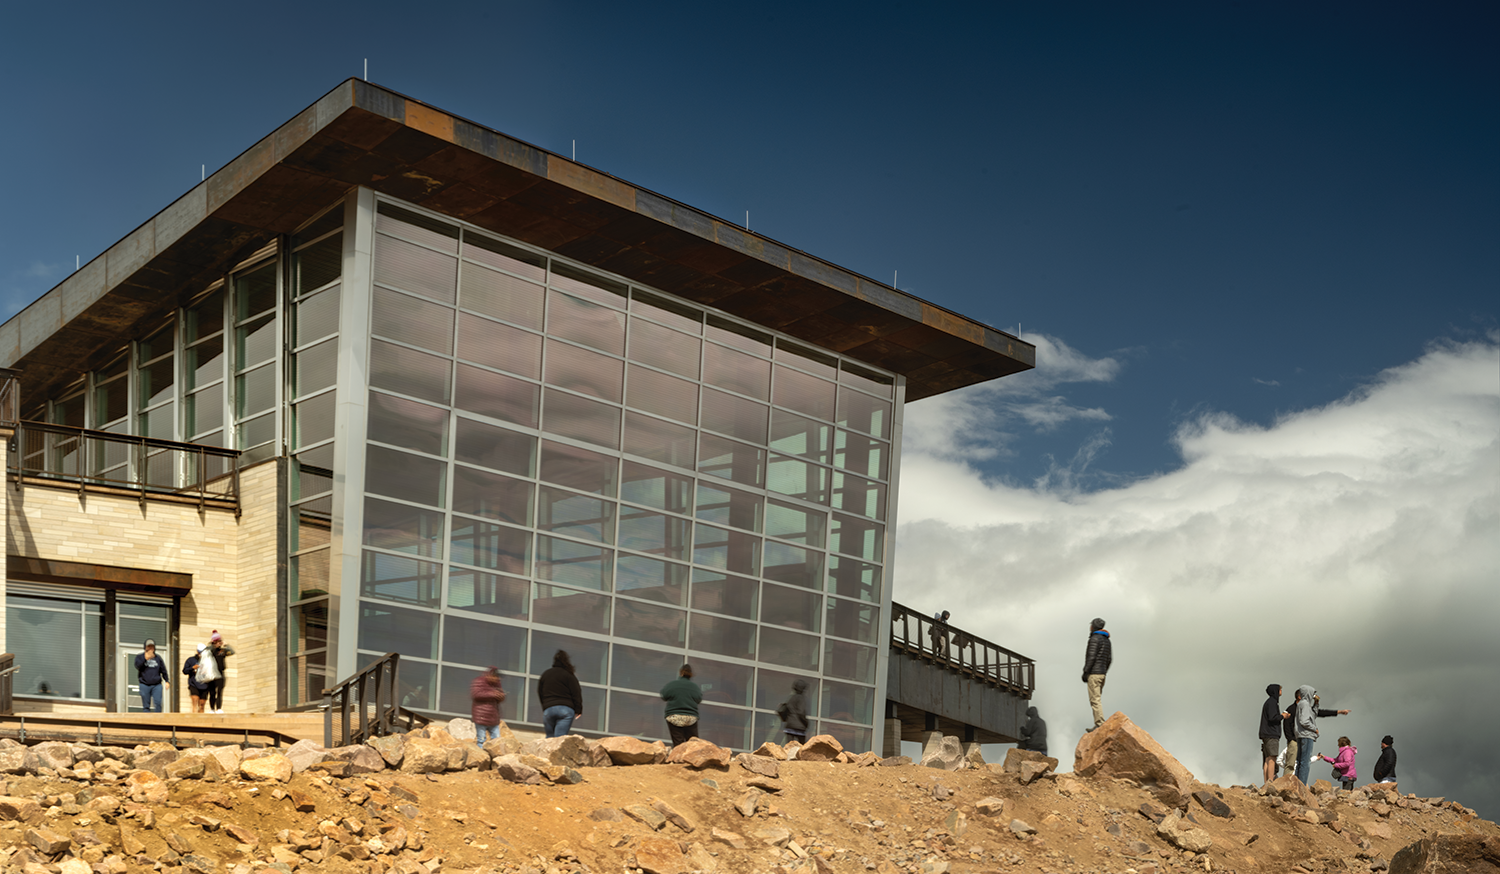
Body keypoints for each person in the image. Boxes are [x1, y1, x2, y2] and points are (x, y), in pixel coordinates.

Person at [1294, 684, 1351, 784]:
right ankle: (1301, 784)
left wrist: (1316, 704)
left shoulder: (1303, 704)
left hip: (1302, 735)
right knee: (1305, 762)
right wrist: (1314, 729)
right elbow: (1304, 721)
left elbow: (1314, 714)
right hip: (1307, 735)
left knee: (1300, 761)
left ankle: (1297, 783)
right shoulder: (1305, 704)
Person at [538, 650, 583, 738]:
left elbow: (540, 692)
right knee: (560, 738)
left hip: (548, 710)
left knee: (549, 739)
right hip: (565, 709)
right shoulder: (569, 675)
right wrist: (578, 709)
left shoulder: (546, 674)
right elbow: (576, 692)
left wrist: (545, 706)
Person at [660, 664, 703, 747]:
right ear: (691, 674)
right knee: (692, 744)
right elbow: (699, 699)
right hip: (691, 718)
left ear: (680, 673)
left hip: (674, 717)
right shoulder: (695, 687)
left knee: (678, 744)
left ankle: (678, 758)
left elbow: (664, 695)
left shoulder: (672, 685)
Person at [1081, 618, 1112, 730]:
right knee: (1097, 698)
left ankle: (1099, 724)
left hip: (1094, 673)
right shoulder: (1107, 640)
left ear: (1093, 626)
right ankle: (1098, 722)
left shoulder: (1094, 639)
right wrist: (1104, 671)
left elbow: (1091, 657)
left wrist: (1085, 672)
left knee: (1095, 700)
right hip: (1102, 674)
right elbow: (1109, 659)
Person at [1259, 684, 1290, 784]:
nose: (1281, 691)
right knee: (1272, 758)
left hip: (1266, 734)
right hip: (1271, 734)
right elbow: (1273, 718)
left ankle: (1266, 782)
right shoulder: (1272, 703)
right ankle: (1270, 781)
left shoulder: (1269, 702)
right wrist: (1282, 716)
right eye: (1280, 689)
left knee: (1267, 759)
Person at [470, 667, 506, 747]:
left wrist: (501, 696)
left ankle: (495, 758)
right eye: (495, 677)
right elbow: (476, 694)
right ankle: (481, 756)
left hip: (493, 717)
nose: (497, 679)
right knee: (481, 740)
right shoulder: (479, 681)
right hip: (481, 716)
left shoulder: (497, 684)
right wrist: (492, 694)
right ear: (490, 675)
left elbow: (500, 695)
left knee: (497, 741)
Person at [134, 639, 169, 713]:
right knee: (146, 706)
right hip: (144, 684)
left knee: (158, 703)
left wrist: (167, 680)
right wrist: (145, 658)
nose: (150, 648)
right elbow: (137, 666)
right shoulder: (140, 657)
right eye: (148, 646)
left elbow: (163, 670)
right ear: (145, 647)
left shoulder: (158, 658)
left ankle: (158, 721)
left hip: (156, 685)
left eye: (152, 646)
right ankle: (147, 721)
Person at [206, 630, 235, 714]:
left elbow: (232, 652)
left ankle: (218, 708)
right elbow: (206, 651)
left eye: (219, 641)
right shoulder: (210, 650)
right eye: (217, 641)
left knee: (219, 692)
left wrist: (226, 645)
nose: (218, 643)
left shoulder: (222, 651)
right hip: (211, 674)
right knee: (212, 692)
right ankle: (212, 708)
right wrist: (212, 644)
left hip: (220, 673)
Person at [776, 679, 809, 746]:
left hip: (790, 724)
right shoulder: (801, 698)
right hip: (800, 726)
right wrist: (806, 722)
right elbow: (801, 712)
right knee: (802, 748)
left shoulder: (791, 698)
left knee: (789, 746)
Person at [182, 644, 210, 713]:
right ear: (197, 652)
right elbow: (184, 671)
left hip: (205, 684)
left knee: (202, 705)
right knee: (195, 702)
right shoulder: (191, 660)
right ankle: (193, 720)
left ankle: (201, 721)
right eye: (200, 652)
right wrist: (192, 668)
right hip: (194, 684)